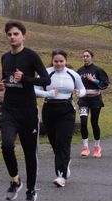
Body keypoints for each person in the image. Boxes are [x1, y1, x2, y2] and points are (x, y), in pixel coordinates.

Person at [0, 20, 51, 201]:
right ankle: (15, 180)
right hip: (9, 110)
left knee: (29, 153)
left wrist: (26, 78)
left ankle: (31, 190)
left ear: (23, 36)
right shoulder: (5, 58)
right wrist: (2, 85)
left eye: (16, 34)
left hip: (27, 112)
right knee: (6, 145)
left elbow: (46, 80)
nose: (12, 37)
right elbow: (7, 79)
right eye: (9, 34)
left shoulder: (31, 56)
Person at [35, 49, 86, 187]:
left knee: (63, 141)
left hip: (67, 110)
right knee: (55, 143)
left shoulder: (72, 74)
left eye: (61, 61)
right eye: (56, 61)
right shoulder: (46, 72)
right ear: (52, 61)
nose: (58, 64)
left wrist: (79, 93)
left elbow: (82, 89)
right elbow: (33, 90)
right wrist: (47, 93)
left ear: (66, 61)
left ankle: (61, 176)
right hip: (49, 109)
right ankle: (65, 160)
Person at [77, 49, 109, 158]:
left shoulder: (98, 70)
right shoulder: (79, 71)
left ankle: (97, 147)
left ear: (91, 57)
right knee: (83, 121)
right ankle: (85, 147)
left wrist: (94, 80)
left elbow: (105, 84)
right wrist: (76, 90)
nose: (85, 58)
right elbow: (75, 83)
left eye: (87, 56)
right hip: (83, 100)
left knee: (94, 122)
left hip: (95, 99)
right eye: (83, 56)